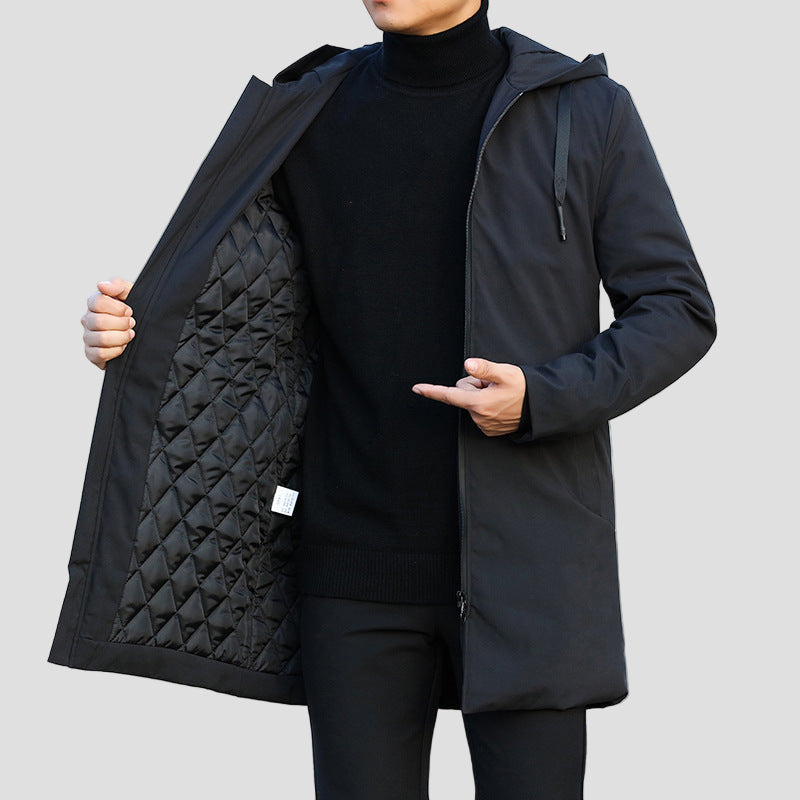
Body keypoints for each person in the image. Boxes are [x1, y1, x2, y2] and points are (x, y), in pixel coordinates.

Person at [65, 1, 716, 798]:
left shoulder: (584, 110)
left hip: (533, 565)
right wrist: (129, 333)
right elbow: (239, 310)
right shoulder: (308, 107)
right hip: (351, 567)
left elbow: (677, 310)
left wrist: (541, 399)